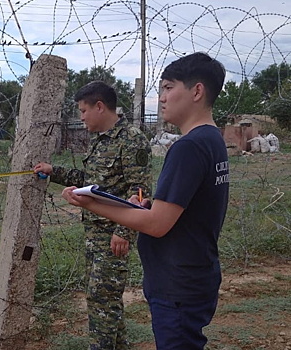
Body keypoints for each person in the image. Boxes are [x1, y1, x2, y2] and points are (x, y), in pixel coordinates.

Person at [61, 52, 229, 350]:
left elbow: (157, 225)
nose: (161, 97)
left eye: (167, 87)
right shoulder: (212, 139)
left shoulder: (188, 147)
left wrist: (91, 203)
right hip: (194, 273)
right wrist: (146, 207)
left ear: (197, 91)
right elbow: (180, 209)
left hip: (178, 282)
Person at [34, 81, 152, 350]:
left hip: (114, 236)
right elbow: (89, 181)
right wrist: (54, 171)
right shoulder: (98, 141)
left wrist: (123, 232)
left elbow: (142, 193)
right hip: (94, 235)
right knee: (105, 301)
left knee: (102, 301)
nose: (82, 117)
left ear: (100, 107)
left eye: (84, 110)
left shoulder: (131, 140)